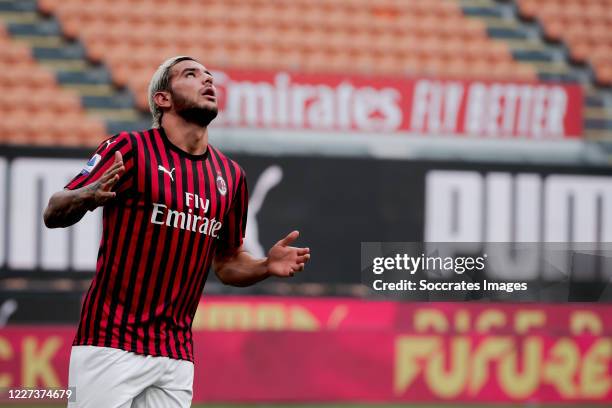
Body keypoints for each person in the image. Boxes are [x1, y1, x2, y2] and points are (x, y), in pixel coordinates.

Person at [43, 55, 311, 407]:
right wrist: (86, 196)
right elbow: (53, 210)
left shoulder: (231, 177)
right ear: (163, 99)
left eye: (210, 76)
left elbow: (228, 262)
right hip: (109, 342)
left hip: (175, 353)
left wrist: (264, 266)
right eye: (191, 74)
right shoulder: (129, 149)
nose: (207, 81)